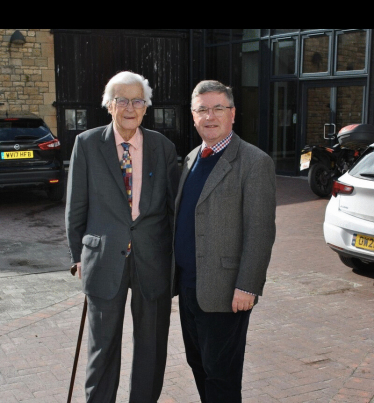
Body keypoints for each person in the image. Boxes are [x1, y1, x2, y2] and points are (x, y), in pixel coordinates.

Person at [65, 71, 179, 403]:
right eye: (123, 100)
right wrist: (76, 256)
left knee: (151, 347)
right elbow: (76, 207)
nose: (131, 107)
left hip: (153, 260)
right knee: (102, 348)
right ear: (109, 105)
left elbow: (172, 210)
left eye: (138, 100)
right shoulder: (86, 144)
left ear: (146, 107)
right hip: (103, 260)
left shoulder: (163, 146)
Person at [173, 80, 276, 402]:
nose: (210, 116)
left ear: (232, 113)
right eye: (202, 109)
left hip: (227, 289)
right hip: (189, 287)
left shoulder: (253, 161)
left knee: (222, 373)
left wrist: (248, 286)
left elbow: (260, 230)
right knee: (199, 364)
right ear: (193, 116)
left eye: (218, 108)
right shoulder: (190, 159)